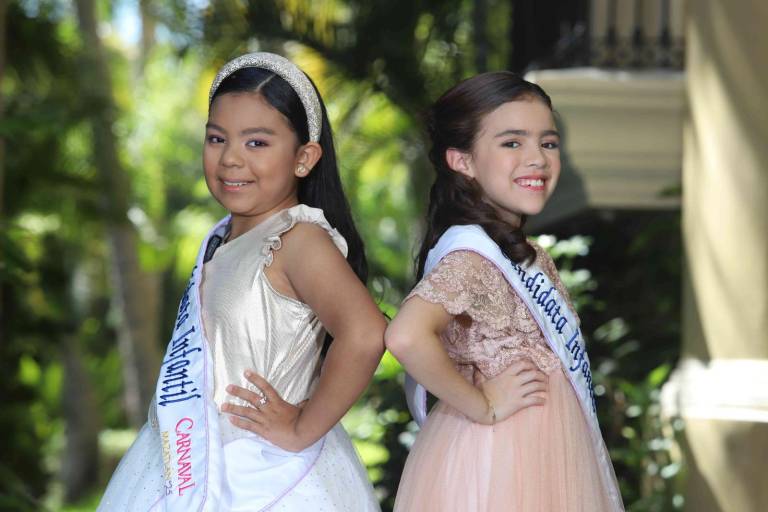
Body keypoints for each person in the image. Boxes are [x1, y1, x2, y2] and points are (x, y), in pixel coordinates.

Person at [97, 52, 385, 511]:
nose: (231, 158)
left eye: (257, 143)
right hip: (190, 461)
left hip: (264, 474)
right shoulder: (220, 241)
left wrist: (302, 425)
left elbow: (367, 332)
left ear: (304, 158)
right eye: (217, 138)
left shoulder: (298, 239)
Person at [385, 72, 624, 511]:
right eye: (512, 143)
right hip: (498, 462)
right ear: (462, 160)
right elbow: (404, 335)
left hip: (545, 457)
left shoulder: (521, 253)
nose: (537, 158)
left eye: (547, 143)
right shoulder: (473, 257)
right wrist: (483, 405)